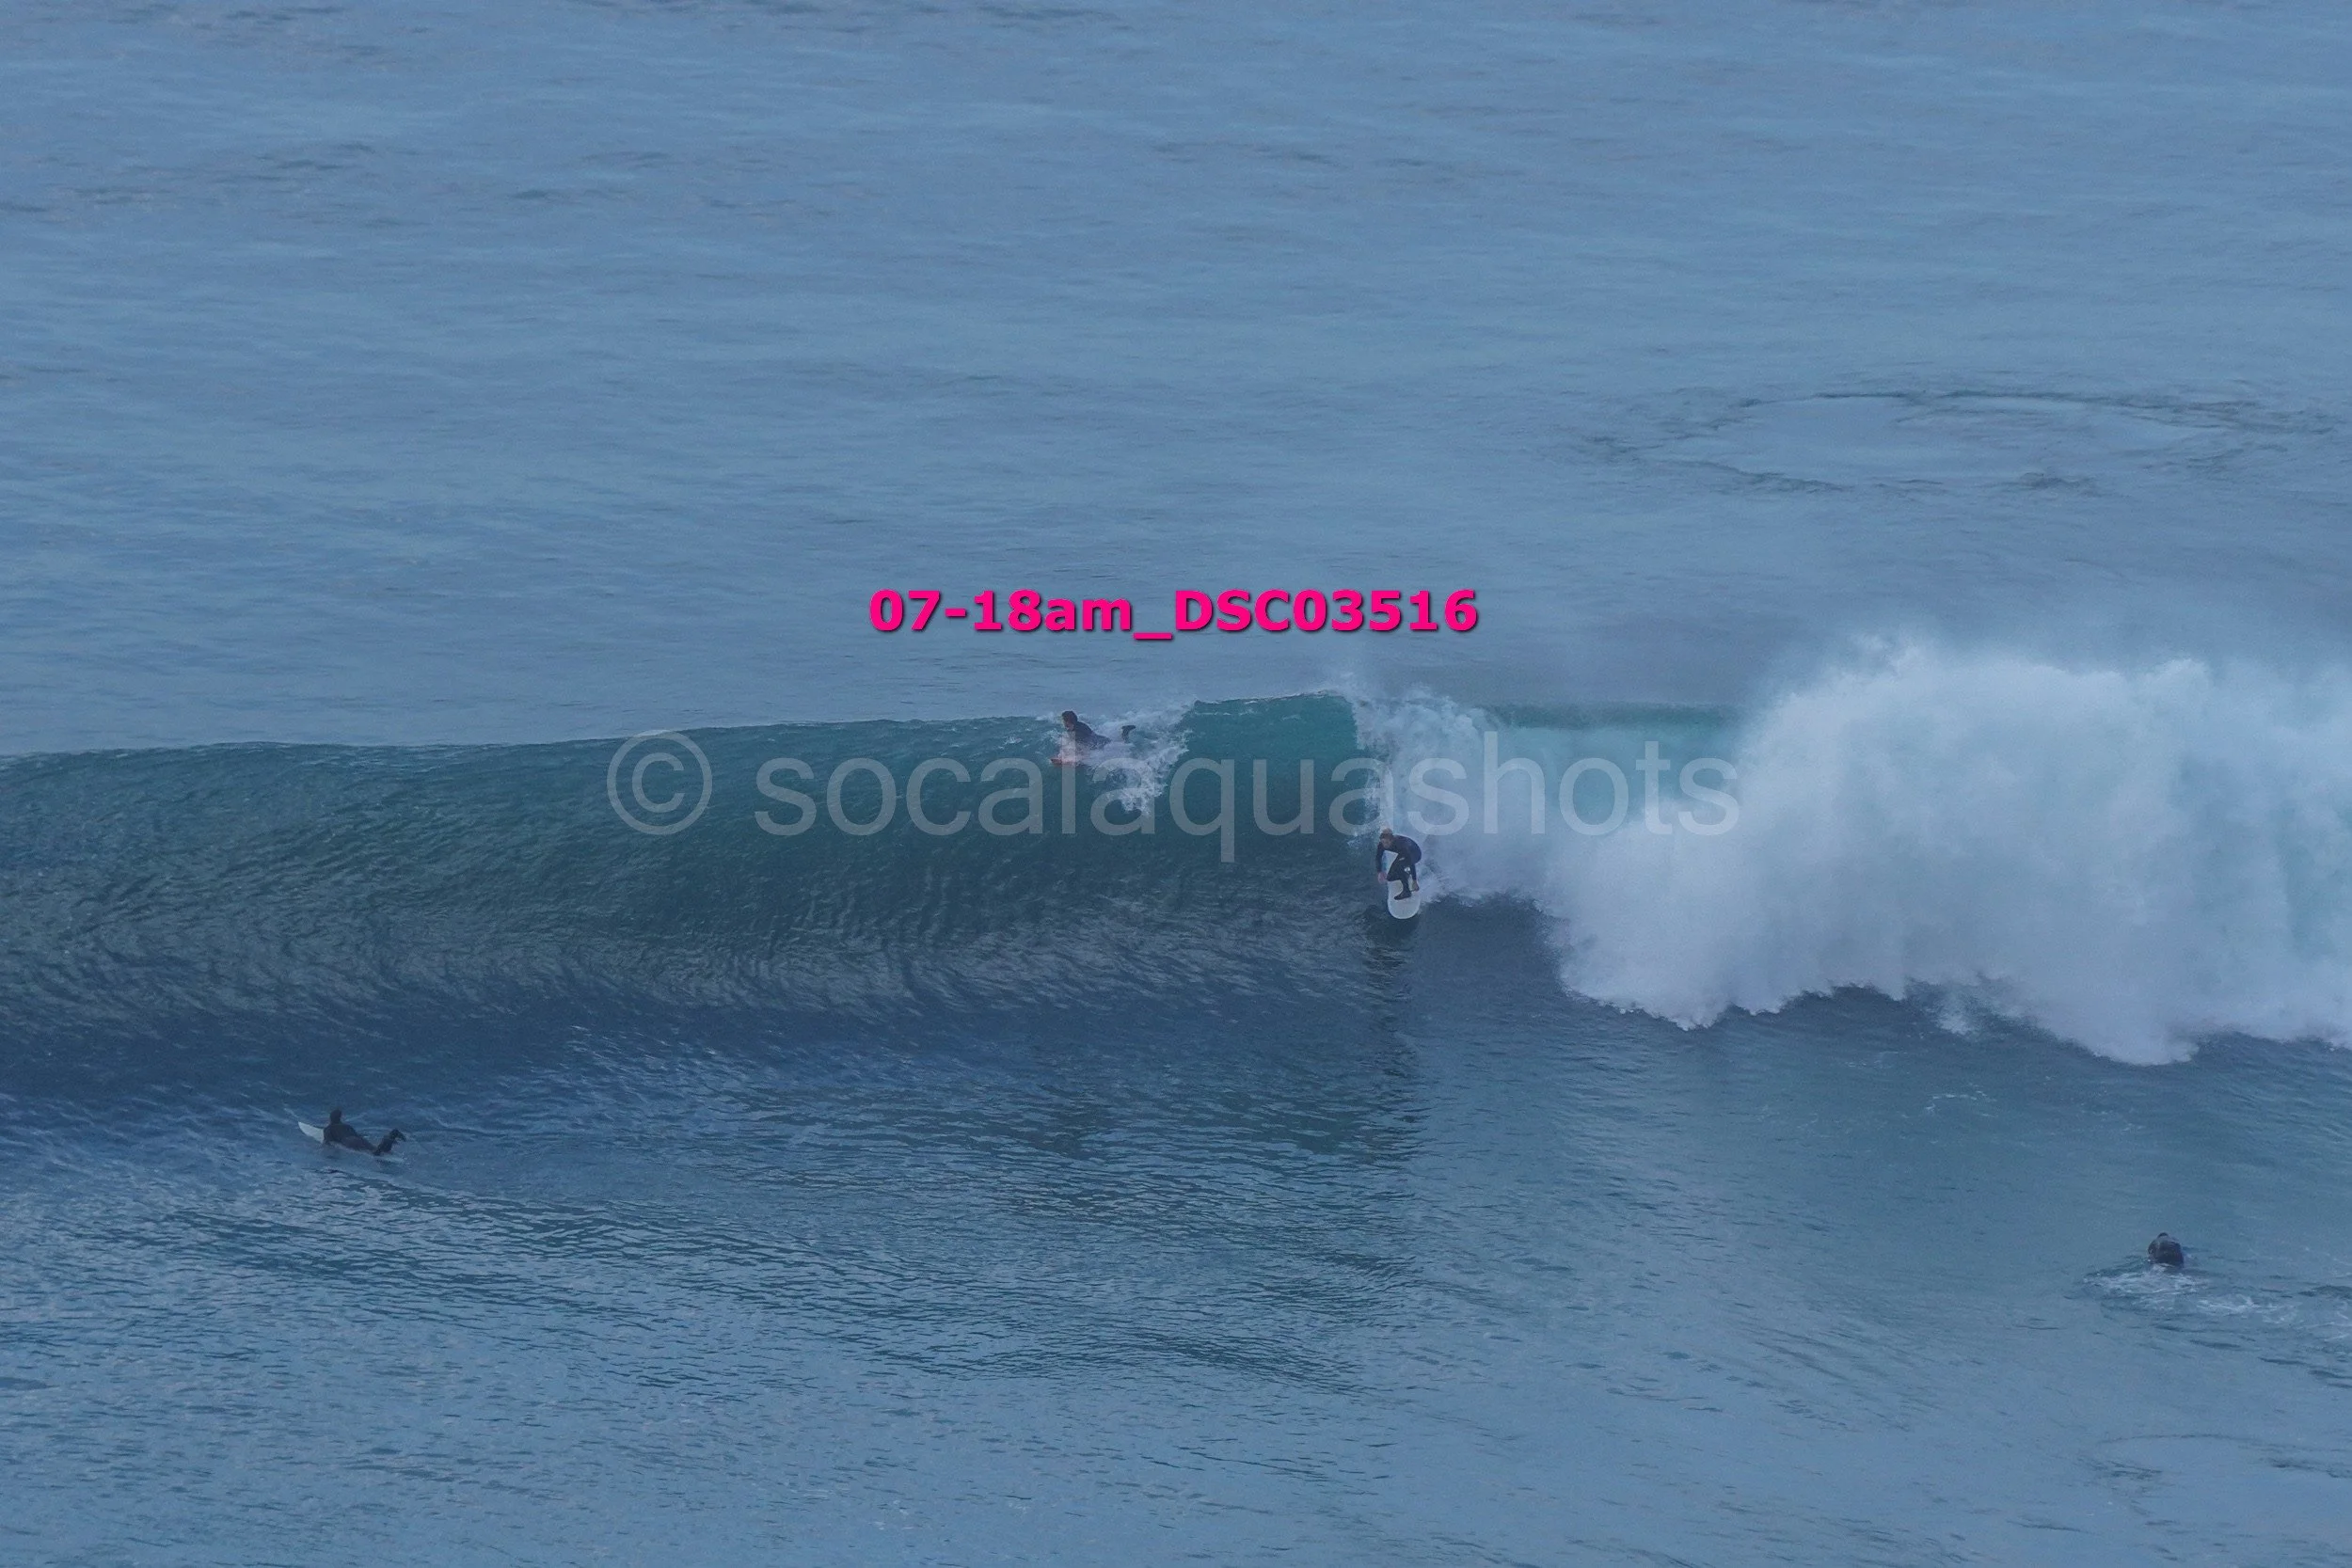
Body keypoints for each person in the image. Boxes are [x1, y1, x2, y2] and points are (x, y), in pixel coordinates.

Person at [322, 1108, 405, 1157]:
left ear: (330, 1118)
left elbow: (328, 1142)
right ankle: (392, 1135)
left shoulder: (328, 1129)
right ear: (340, 1117)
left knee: (374, 1153)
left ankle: (386, 1141)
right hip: (359, 1138)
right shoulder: (347, 1126)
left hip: (348, 1141)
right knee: (375, 1149)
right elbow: (355, 1134)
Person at [1375, 827, 1422, 900]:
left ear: (1392, 840)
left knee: (1399, 866)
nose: (1385, 845)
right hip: (1403, 854)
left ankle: (1406, 892)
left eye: (1387, 843)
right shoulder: (1381, 844)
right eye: (1383, 842)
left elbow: (1411, 862)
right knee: (1390, 878)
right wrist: (1379, 872)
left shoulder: (1401, 844)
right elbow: (1378, 857)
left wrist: (1414, 881)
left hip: (1415, 854)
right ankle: (1406, 873)